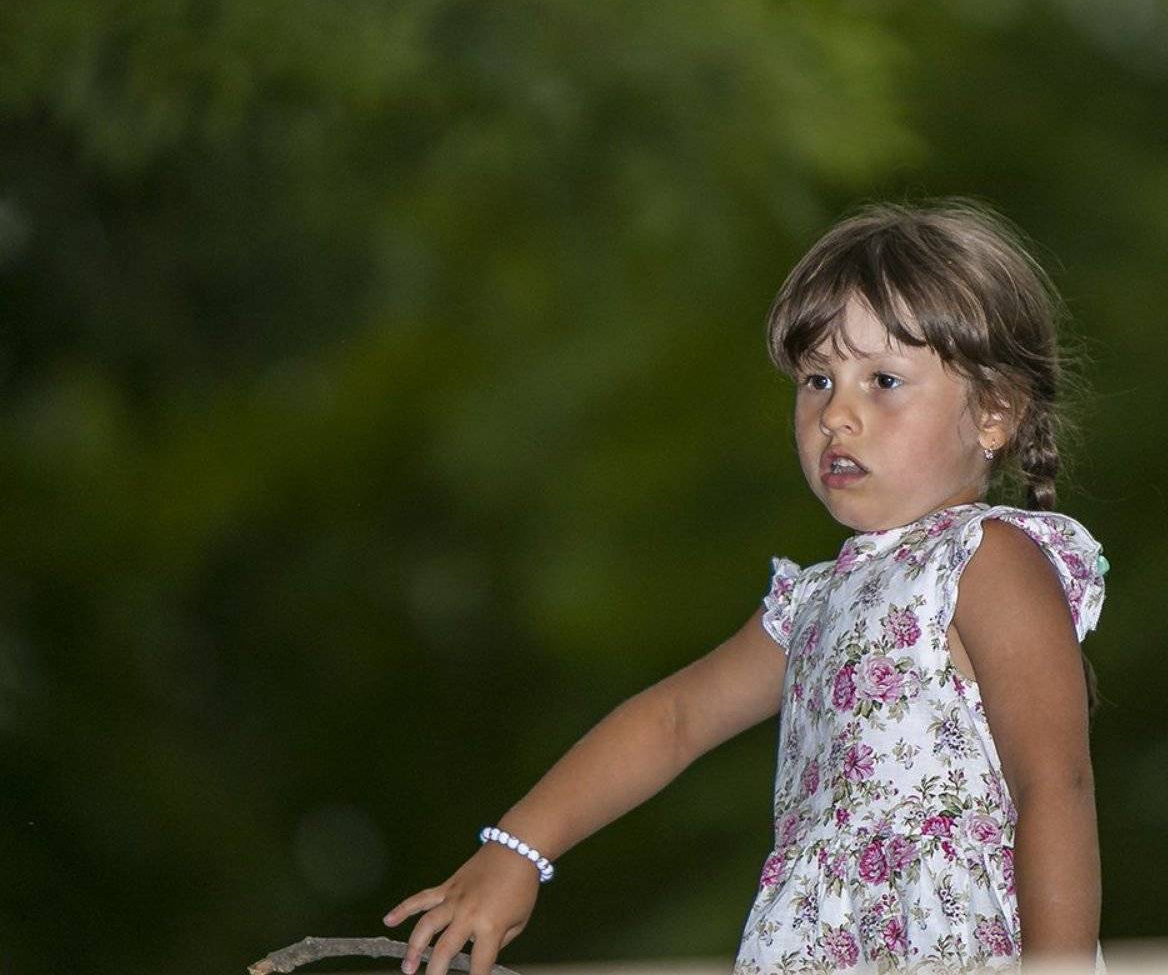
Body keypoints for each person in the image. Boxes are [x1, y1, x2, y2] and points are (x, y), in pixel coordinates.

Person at [383, 198, 1111, 974]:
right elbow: (674, 720)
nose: (837, 415)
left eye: (884, 380)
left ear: (994, 412)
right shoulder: (813, 604)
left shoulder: (986, 561)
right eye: (817, 380)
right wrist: (519, 848)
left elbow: (1054, 785)